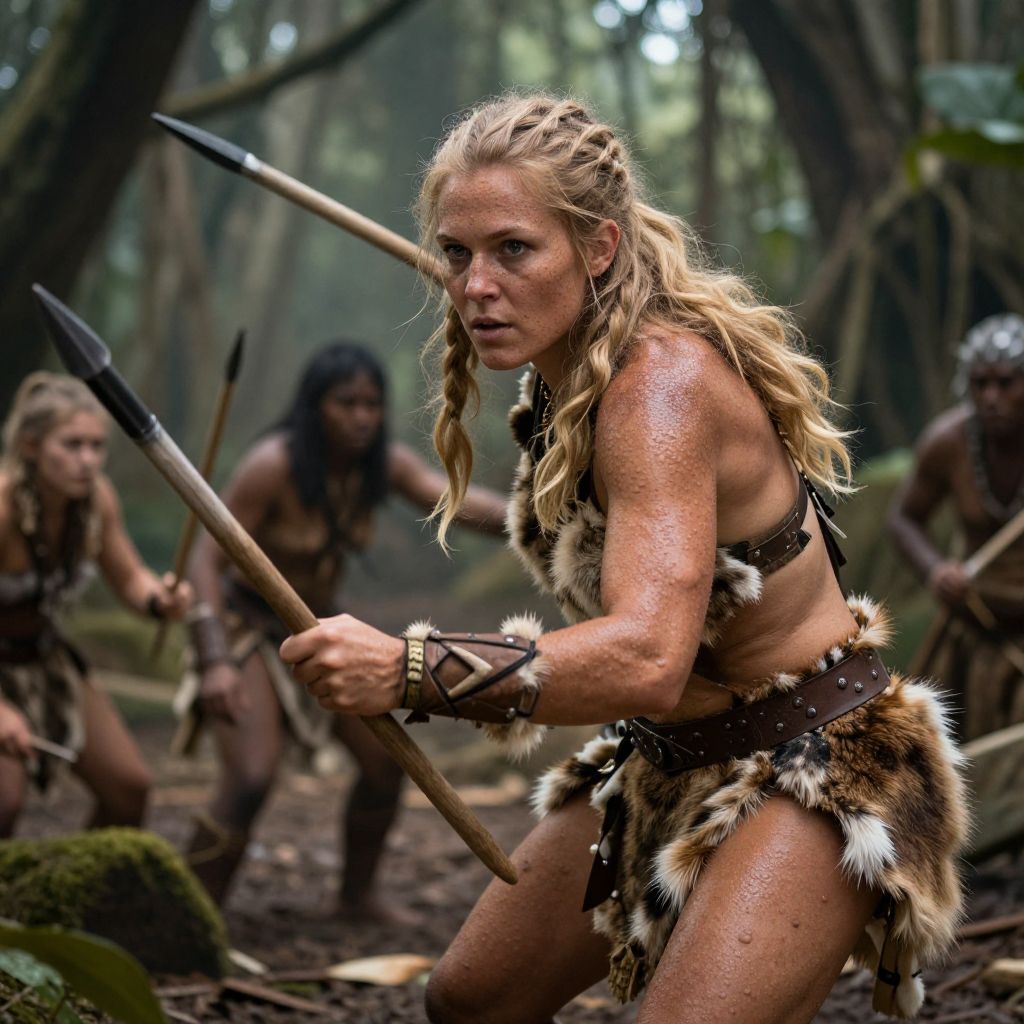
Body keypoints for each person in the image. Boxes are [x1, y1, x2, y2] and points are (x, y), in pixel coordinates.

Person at [278, 95, 967, 1022]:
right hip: (664, 756)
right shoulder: (571, 378)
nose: (476, 285)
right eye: (457, 253)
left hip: (815, 761)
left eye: (513, 250)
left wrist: (407, 668)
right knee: (470, 1003)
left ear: (598, 247)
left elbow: (647, 658)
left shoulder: (659, 389)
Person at [181, 341, 506, 921]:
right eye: (345, 403)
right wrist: (213, 660)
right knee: (251, 776)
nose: (361, 417)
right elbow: (204, 560)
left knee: (384, 764)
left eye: (371, 404)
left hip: (320, 627)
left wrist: (543, 518)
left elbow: (453, 502)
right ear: (316, 405)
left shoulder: (380, 464)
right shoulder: (272, 465)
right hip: (244, 629)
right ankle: (190, 917)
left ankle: (356, 898)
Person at [0, 372, 191, 836]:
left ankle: (79, 881)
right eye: (72, 445)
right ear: (31, 446)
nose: (87, 460)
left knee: (129, 789)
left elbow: (129, 577)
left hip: (46, 658)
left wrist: (159, 600)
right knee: (4, 804)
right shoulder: (2, 509)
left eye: (96, 446)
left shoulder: (96, 500)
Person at [889, 313, 1024, 740]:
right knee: (945, 746)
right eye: (981, 384)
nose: (991, 397)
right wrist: (935, 570)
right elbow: (903, 518)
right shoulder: (949, 442)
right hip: (976, 620)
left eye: (1006, 383)